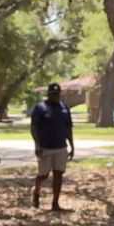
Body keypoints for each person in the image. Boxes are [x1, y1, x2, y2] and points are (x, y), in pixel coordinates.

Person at [30, 83, 74, 211]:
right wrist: (37, 145)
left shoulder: (64, 108)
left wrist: (72, 145)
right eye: (52, 94)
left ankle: (55, 203)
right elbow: (34, 128)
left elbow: (68, 128)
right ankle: (36, 190)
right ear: (48, 94)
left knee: (58, 175)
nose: (55, 96)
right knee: (43, 175)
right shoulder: (40, 108)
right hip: (45, 148)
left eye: (57, 94)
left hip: (61, 147)